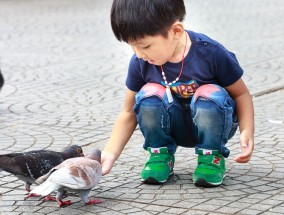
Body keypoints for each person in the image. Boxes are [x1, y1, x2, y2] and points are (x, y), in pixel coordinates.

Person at [101, 0, 254, 187]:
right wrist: (109, 153)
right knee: (149, 94)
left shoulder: (211, 53)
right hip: (173, 125)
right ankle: (160, 155)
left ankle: (211, 158)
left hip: (213, 124)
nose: (139, 54)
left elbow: (241, 94)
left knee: (209, 93)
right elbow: (128, 112)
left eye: (145, 46)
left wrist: (247, 131)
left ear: (176, 31)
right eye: (132, 47)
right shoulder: (141, 62)